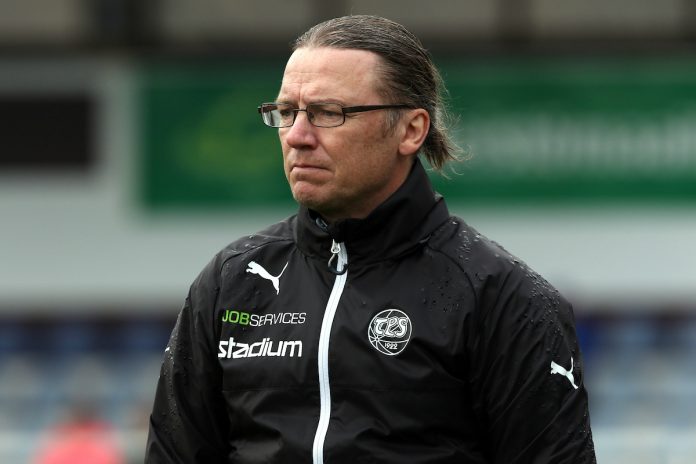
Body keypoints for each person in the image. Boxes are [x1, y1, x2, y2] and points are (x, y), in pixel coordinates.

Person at [145, 15, 596, 464]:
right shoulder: (231, 281)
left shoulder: (504, 297)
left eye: (328, 113)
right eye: (286, 112)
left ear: (411, 130)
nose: (297, 136)